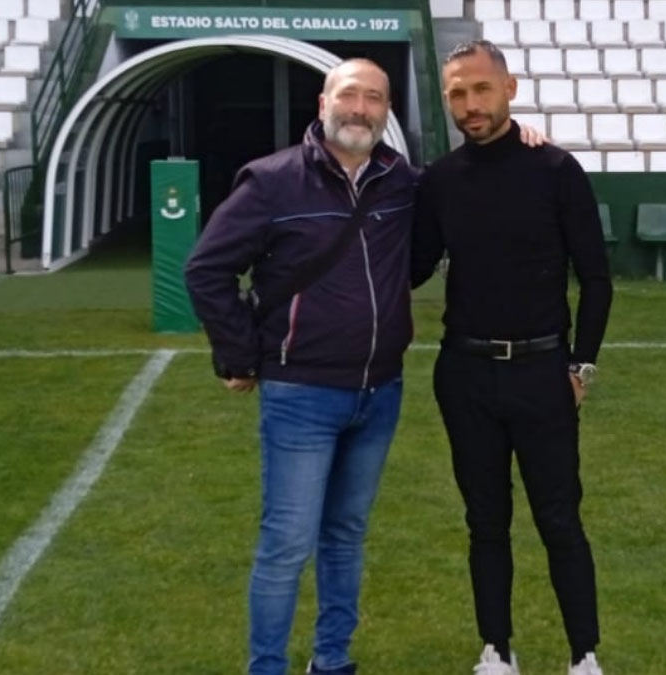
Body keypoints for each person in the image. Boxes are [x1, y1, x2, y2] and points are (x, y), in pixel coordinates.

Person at [184, 59, 414, 675]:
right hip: (301, 396)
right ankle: (267, 667)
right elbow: (206, 270)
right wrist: (238, 354)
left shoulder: (403, 182)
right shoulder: (271, 182)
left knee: (345, 538)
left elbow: (479, 184)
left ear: (387, 111)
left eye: (374, 98)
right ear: (322, 102)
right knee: (286, 545)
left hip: (380, 391)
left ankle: (332, 661)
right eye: (349, 95)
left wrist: (528, 137)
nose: (359, 108)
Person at [411, 41, 614, 675]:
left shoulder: (555, 169)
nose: (470, 104)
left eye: (481, 89)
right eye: (457, 94)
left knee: (559, 518)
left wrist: (582, 365)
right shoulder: (440, 180)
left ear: (509, 88)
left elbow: (597, 279)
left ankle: (584, 657)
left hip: (542, 371)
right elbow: (414, 268)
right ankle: (496, 651)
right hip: (465, 373)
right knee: (485, 521)